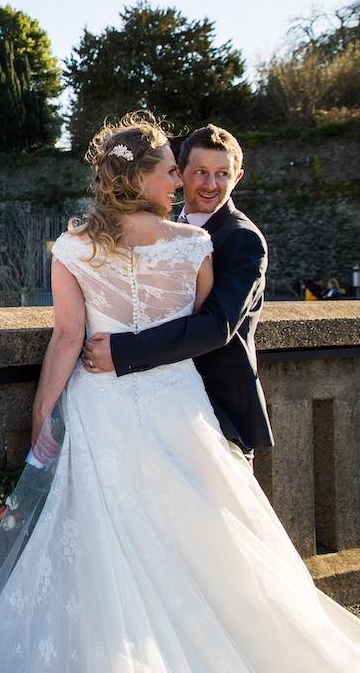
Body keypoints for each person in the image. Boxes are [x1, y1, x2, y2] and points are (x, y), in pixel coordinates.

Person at [0, 113, 360, 672]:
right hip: (178, 401)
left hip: (100, 402)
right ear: (141, 178)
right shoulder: (194, 244)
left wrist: (44, 411)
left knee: (108, 535)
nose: (182, 182)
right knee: (197, 533)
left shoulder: (73, 247)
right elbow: (195, 323)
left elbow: (68, 337)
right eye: (173, 171)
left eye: (193, 172)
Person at [81, 124, 271, 465]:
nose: (211, 184)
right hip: (154, 408)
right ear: (179, 174)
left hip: (218, 412)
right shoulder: (161, 229)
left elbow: (217, 326)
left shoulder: (242, 238)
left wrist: (123, 351)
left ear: (238, 177)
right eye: (201, 172)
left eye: (222, 174)